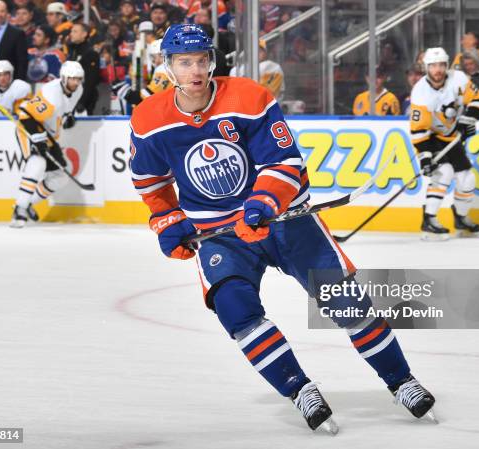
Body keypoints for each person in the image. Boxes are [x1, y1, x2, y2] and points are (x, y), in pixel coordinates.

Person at [129, 24, 435, 433]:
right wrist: (168, 220)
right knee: (235, 311)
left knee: (346, 304)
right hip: (221, 234)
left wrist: (262, 202)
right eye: (185, 62)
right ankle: (300, 389)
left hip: (284, 219)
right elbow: (151, 184)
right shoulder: (149, 119)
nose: (196, 70)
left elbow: (286, 162)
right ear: (168, 67)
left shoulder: (248, 97)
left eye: (202, 60)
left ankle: (402, 382)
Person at [409, 47, 479, 240]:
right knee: (444, 174)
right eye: (433, 65)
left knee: (467, 179)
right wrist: (425, 158)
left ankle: (461, 218)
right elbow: (418, 131)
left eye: (441, 65)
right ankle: (429, 220)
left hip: (451, 137)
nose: (438, 70)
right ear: (426, 67)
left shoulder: (459, 78)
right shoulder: (420, 92)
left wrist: (467, 121)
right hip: (431, 138)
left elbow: (478, 102)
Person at [11, 61, 84, 228]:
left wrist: (67, 118)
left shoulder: (78, 90)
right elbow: (26, 115)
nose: (76, 83)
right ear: (64, 78)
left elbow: (65, 111)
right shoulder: (51, 93)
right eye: (73, 79)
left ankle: (29, 203)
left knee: (60, 176)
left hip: (49, 134)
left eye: (79, 79)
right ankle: (20, 208)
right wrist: (38, 138)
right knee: (37, 163)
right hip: (28, 128)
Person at [112, 38, 172, 106]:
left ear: (162, 55)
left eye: (154, 57)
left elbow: (143, 98)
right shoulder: (169, 69)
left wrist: (125, 91)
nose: (154, 61)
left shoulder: (165, 71)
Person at [67, 23, 101, 114]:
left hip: (85, 100)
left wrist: (82, 101)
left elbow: (91, 80)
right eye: (71, 31)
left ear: (84, 34)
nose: (71, 34)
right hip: (70, 98)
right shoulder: (72, 52)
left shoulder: (91, 54)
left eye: (75, 31)